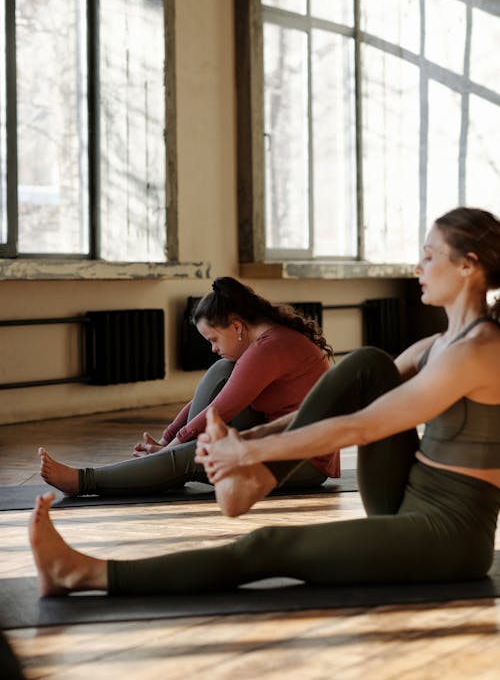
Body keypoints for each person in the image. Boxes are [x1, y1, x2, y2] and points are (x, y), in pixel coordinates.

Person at [29, 207, 500, 597]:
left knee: (267, 545)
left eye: (429, 255)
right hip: (403, 498)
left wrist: (246, 452)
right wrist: (245, 440)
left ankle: (83, 573)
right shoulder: (436, 345)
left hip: (446, 534)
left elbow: (361, 428)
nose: (417, 267)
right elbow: (331, 408)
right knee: (368, 364)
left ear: (467, 265)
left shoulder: (479, 350)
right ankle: (252, 483)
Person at [38, 276, 339, 498]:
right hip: (274, 435)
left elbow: (220, 410)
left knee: (199, 452)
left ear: (237, 327)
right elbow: (216, 399)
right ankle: (169, 461)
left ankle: (84, 481)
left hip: (305, 463)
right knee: (223, 369)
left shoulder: (270, 347)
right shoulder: (267, 341)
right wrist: (168, 439)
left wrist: (172, 447)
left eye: (213, 340)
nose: (212, 348)